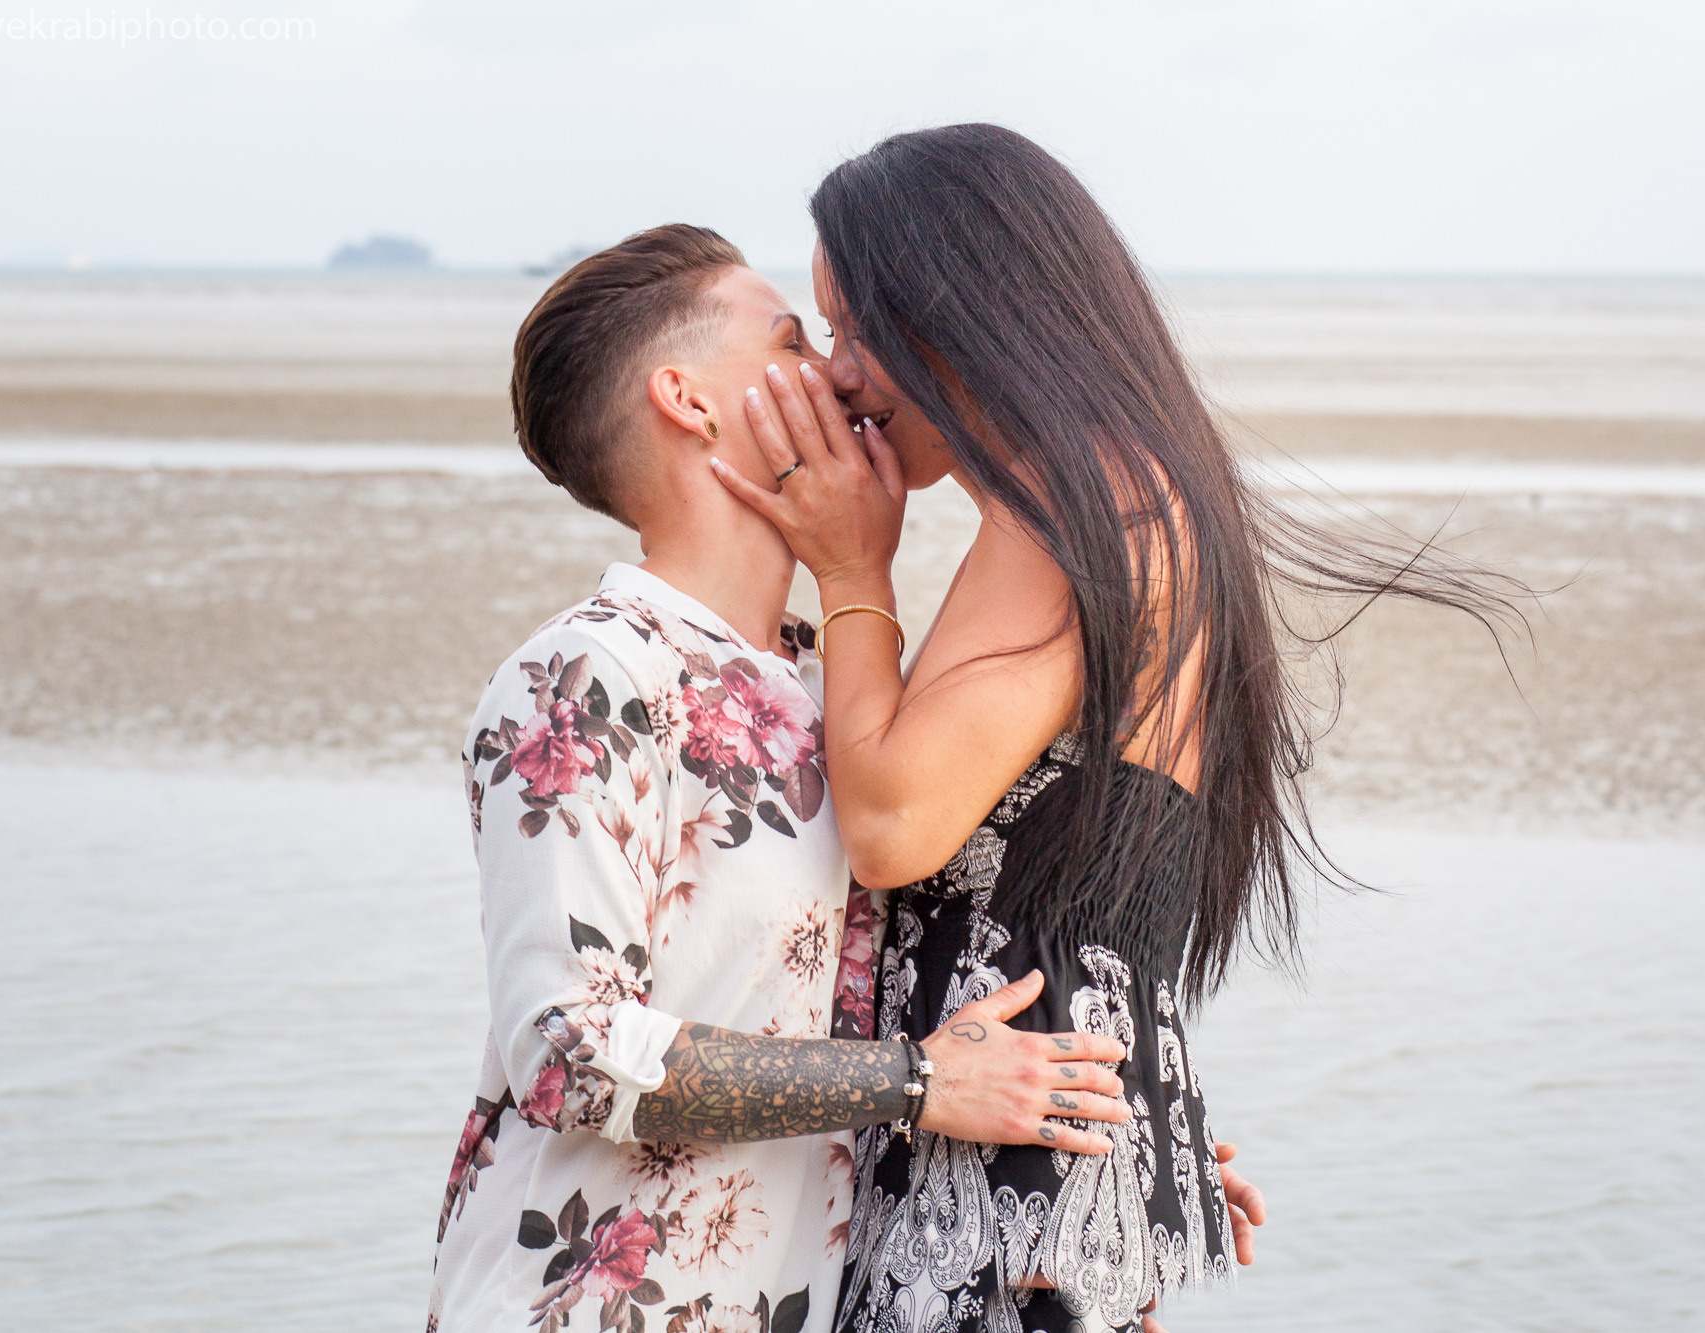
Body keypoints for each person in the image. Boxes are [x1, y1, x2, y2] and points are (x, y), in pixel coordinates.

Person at [713, 124, 1517, 1333]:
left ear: (962, 308)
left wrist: (848, 569)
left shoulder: (1082, 505)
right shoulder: (1129, 493)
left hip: (1000, 1207)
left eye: (854, 329)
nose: (837, 377)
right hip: (1053, 1176)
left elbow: (891, 826)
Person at [427, 223, 1144, 1333]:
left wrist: (1119, 1158)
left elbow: (938, 976)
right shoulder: (585, 674)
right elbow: (567, 1051)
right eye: (792, 342)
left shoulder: (832, 689)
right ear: (688, 400)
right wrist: (918, 1082)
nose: (839, 376)